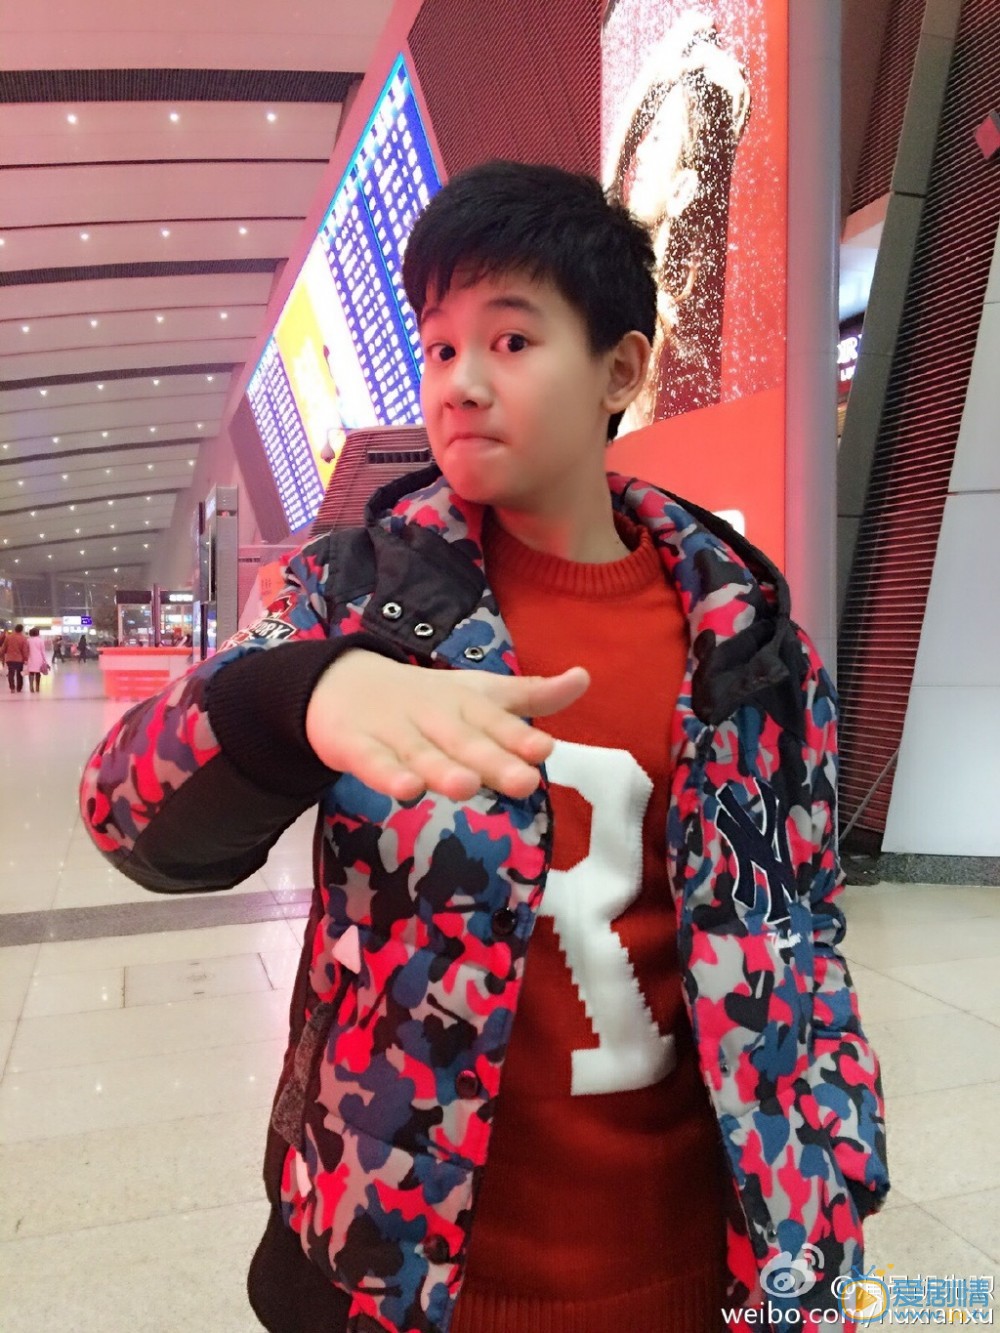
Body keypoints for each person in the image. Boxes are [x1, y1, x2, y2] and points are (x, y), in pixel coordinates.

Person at [79, 162, 888, 1333]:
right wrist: (300, 698)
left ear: (621, 369)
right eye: (440, 346)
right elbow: (125, 810)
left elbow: (801, 921)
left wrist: (834, 1159)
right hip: (410, 1276)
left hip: (706, 1263)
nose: (460, 382)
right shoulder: (350, 597)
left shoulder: (749, 642)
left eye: (510, 342)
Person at [605, 10, 751, 427]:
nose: (641, 153)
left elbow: (606, 190)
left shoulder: (657, 319)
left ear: (683, 189)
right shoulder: (667, 302)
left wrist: (660, 69)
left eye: (656, 138)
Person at [5, 622, 29, 694]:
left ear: (15, 629)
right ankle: (19, 688)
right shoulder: (23, 638)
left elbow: (4, 647)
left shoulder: (9, 637)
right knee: (19, 673)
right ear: (21, 630)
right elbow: (24, 650)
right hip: (19, 659)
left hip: (10, 659)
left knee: (11, 673)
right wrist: (26, 659)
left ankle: (12, 688)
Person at [25, 627, 49, 693]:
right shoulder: (40, 640)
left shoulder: (28, 640)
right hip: (39, 658)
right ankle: (37, 687)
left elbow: (26, 649)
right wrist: (45, 660)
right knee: (38, 673)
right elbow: (43, 651)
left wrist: (26, 658)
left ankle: (31, 686)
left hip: (31, 658)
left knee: (31, 672)